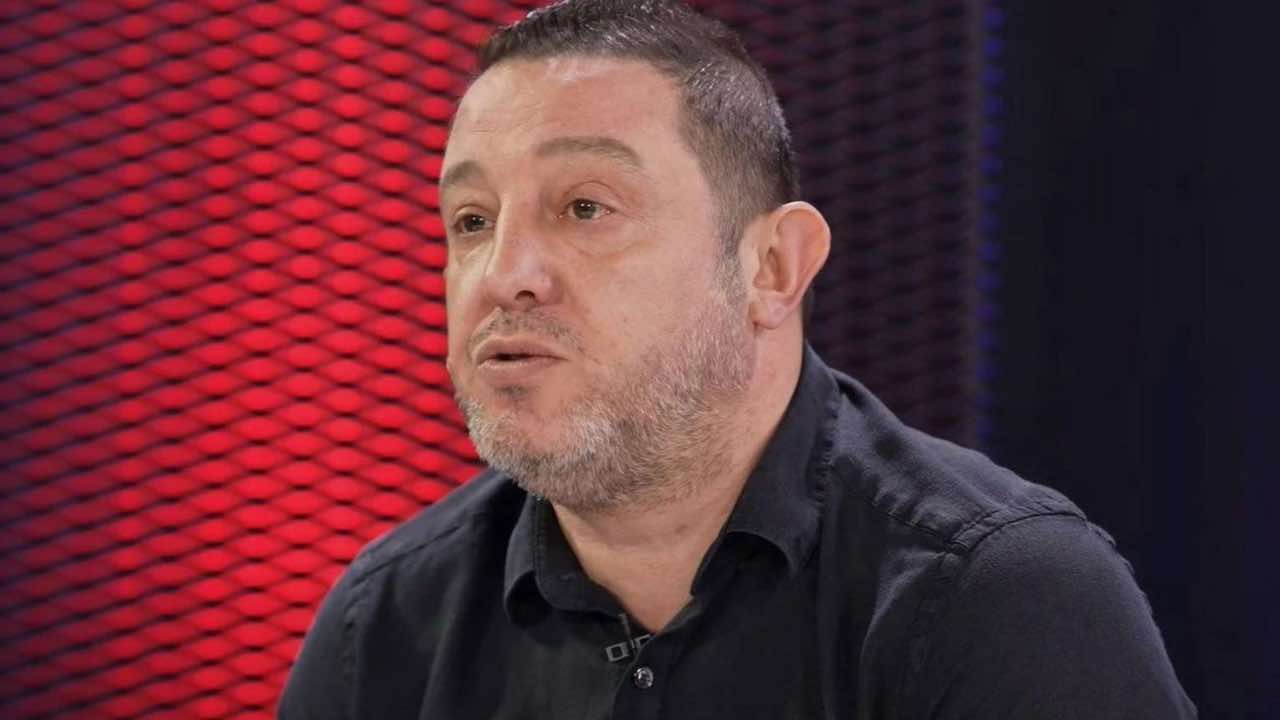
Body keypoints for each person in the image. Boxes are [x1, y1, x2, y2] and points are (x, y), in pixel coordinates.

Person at [278, 1, 1196, 717]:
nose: (504, 275)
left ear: (772, 268)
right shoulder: (383, 629)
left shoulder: (999, 601)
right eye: (471, 221)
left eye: (586, 207)